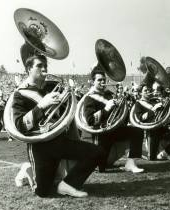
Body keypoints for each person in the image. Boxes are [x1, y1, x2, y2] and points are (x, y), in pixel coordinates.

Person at [12, 45, 105, 198]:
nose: (44, 69)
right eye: (39, 66)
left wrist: (65, 99)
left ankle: (67, 185)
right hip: (41, 146)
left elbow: (66, 113)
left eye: (45, 65)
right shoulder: (20, 95)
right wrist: (41, 106)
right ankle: (28, 169)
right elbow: (20, 126)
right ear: (28, 69)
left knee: (97, 152)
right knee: (43, 192)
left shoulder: (53, 86)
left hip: (60, 140)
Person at [83, 65, 144, 173]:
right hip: (101, 133)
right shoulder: (89, 98)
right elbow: (90, 120)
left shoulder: (109, 94)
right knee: (102, 168)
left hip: (114, 129)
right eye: (99, 80)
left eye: (104, 79)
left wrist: (120, 104)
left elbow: (119, 113)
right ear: (93, 82)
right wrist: (106, 109)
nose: (103, 82)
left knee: (137, 131)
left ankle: (130, 163)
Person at [134, 83, 170, 161]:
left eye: (149, 90)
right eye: (145, 90)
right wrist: (153, 109)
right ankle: (144, 153)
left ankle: (165, 153)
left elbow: (163, 117)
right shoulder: (138, 104)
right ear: (140, 93)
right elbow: (140, 118)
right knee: (152, 158)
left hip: (161, 127)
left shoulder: (154, 101)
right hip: (150, 130)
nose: (148, 92)